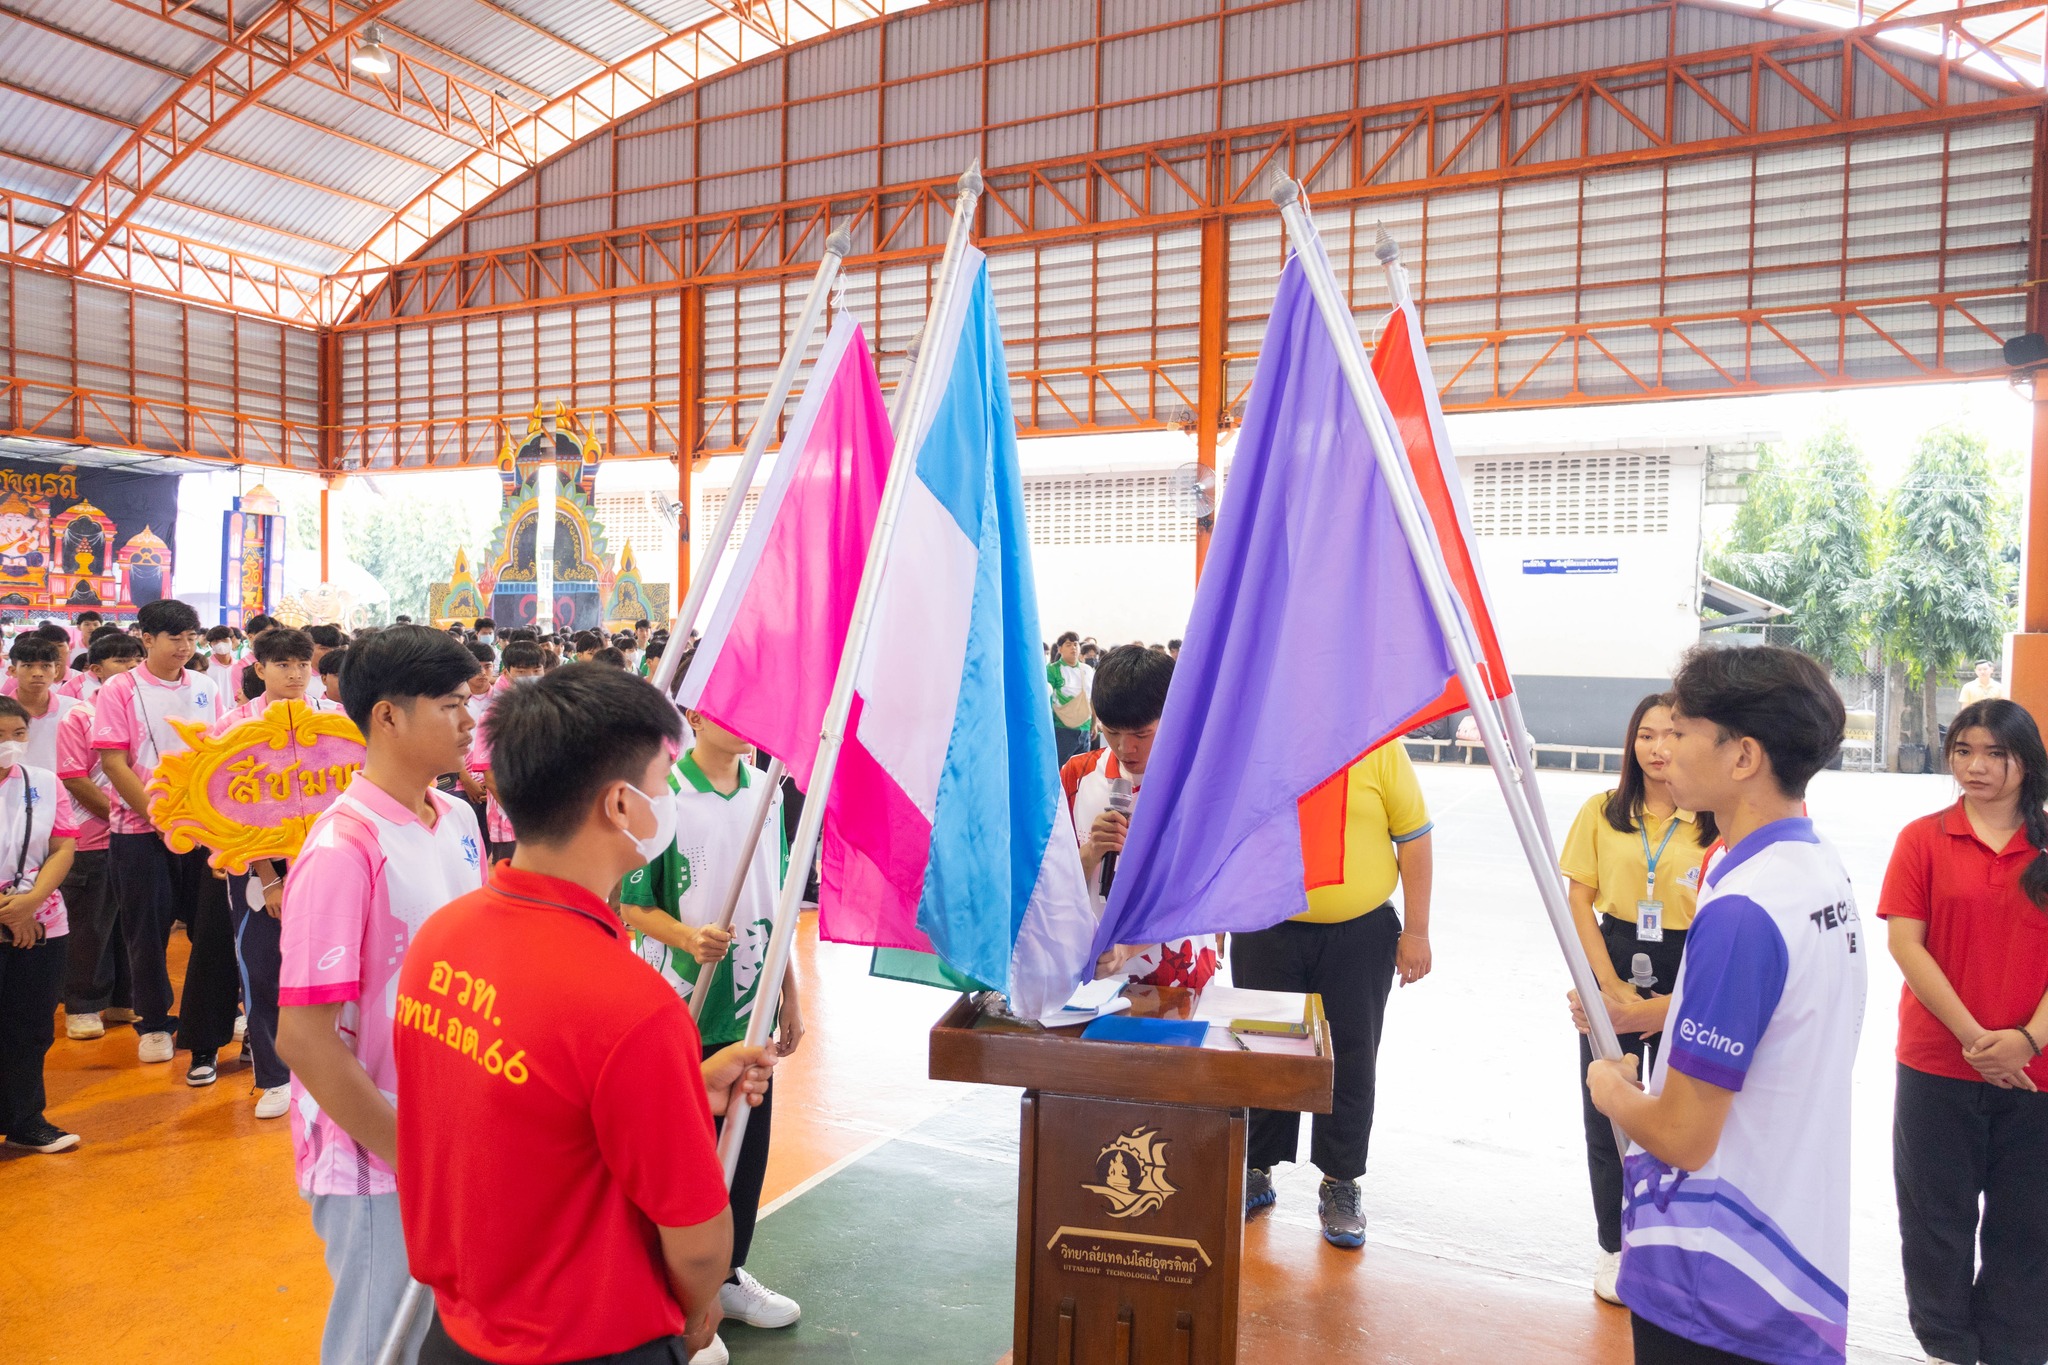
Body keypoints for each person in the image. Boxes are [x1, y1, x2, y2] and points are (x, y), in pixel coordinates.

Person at [395, 664, 777, 1365]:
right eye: (661, 784)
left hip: (459, 1331)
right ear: (621, 806)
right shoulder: (631, 1004)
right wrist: (699, 1312)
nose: (667, 799)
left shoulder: (440, 939)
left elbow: (530, 1106)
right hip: (590, 1340)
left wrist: (682, 1083)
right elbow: (696, 1238)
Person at [1588, 644, 1863, 1365]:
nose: (1664, 749)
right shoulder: (1817, 870)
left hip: (1716, 1285)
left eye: (1681, 731)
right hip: (1790, 1259)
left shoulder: (1745, 909)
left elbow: (1682, 1134)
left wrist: (1613, 1089)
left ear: (1742, 757)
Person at [274, 625, 484, 1365]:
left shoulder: (458, 818)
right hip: (377, 1159)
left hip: (453, 1140)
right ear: (387, 715)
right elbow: (302, 1037)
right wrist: (412, 1153)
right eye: (452, 704)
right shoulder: (343, 847)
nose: (470, 721)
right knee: (378, 1346)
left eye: (471, 701)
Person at [622, 706, 805, 1354]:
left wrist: (789, 990)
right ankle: (676, 1299)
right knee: (684, 1155)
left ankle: (726, 1278)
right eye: (735, 707)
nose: (753, 719)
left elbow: (781, 896)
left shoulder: (767, 791)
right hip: (684, 1005)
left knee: (745, 1150)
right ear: (697, 714)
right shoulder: (664, 794)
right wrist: (686, 936)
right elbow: (632, 903)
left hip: (750, 1004)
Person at [1878, 698, 2048, 1365]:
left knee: (2028, 1223)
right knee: (1935, 1223)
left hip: (2035, 1074)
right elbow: (1907, 945)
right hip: (1937, 1066)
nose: (1975, 766)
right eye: (1964, 750)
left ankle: (2014, 1348)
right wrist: (1980, 1039)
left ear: (2025, 761)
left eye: (1995, 753)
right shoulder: (1922, 838)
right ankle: (1948, 1346)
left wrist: (2029, 1040)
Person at [1236, 735, 1434, 1250]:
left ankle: (1341, 1183)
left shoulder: (1380, 744)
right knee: (1265, 1052)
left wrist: (1416, 931)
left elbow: (1414, 837)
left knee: (1351, 1056)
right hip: (1266, 926)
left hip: (1359, 932)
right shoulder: (1261, 738)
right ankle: (1256, 1168)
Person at [1560, 694, 1717, 1304]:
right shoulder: (1602, 811)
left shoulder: (1710, 814)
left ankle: (1679, 1243)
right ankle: (1616, 1247)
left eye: (1672, 735)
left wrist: (1674, 999)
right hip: (1617, 949)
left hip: (1695, 956)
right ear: (1632, 743)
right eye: (1646, 735)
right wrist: (1608, 984)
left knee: (1687, 1108)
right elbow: (1579, 899)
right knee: (1610, 1106)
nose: (1658, 748)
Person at [92, 598, 230, 1082]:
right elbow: (113, 763)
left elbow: (220, 754)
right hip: (139, 831)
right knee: (145, 931)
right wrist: (160, 816)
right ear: (146, 639)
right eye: (175, 639)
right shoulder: (119, 689)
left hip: (202, 829)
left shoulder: (207, 686)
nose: (185, 648)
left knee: (209, 927)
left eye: (191, 639)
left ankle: (213, 1013)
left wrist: (204, 818)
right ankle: (153, 1022)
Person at [217, 627, 341, 1120]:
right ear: (259, 668)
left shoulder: (335, 720)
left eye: (302, 665)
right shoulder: (233, 725)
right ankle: (273, 1075)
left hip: (329, 859)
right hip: (257, 866)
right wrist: (269, 876)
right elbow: (228, 811)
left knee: (333, 964)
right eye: (283, 665)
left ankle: (333, 1069)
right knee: (264, 968)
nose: (294, 675)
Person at [1066, 646, 1218, 990]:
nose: (1125, 748)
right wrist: (1091, 853)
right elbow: (1047, 885)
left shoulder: (1199, 783)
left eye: (1141, 734)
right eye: (1111, 731)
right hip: (1091, 973)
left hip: (1177, 973)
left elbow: (1201, 891)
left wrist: (1128, 947)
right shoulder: (1075, 777)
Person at [0, 696, 82, 1153]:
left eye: (18, 734)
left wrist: (29, 903)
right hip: (11, 914)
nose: (10, 745)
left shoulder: (44, 782)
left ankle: (25, 1118)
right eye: (0, 736)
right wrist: (9, 912)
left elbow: (63, 847)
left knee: (31, 1024)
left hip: (42, 917)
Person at [55, 632, 144, 1041]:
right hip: (94, 836)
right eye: (119, 661)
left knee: (133, 923)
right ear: (94, 670)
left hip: (139, 834)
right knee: (90, 925)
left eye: (134, 660)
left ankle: (124, 999)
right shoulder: (79, 716)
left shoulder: (143, 712)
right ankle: (83, 1006)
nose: (129, 668)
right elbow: (75, 778)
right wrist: (122, 812)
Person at [470, 640, 544, 866]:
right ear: (507, 673)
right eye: (522, 672)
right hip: (510, 824)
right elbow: (491, 778)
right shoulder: (493, 717)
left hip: (549, 824)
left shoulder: (552, 712)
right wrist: (522, 816)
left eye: (536, 670)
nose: (530, 676)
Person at [11, 633, 79, 774]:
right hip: (10, 790)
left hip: (63, 791)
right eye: (28, 665)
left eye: (46, 666)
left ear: (57, 670)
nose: (37, 673)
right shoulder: (3, 710)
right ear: (13, 671)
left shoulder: (74, 710)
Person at [1048, 631, 1092, 764]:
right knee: (1062, 768)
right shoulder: (1052, 670)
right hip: (1062, 728)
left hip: (1085, 727)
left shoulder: (1088, 670)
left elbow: (1092, 698)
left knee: (1082, 770)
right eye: (1068, 644)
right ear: (1060, 649)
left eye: (1075, 644)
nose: (1073, 647)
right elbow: (1047, 700)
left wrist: (1094, 723)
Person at [204, 625, 239, 695]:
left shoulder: (239, 665)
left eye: (224, 639)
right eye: (216, 641)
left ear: (231, 641)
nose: (221, 644)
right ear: (210, 645)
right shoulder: (205, 666)